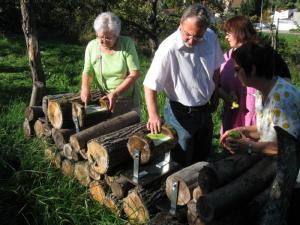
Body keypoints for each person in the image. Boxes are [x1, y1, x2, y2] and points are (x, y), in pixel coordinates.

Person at [220, 42, 300, 224]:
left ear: (253, 69)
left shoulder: (282, 99)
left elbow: (285, 148)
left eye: (237, 69)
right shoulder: (261, 92)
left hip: (293, 178)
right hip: (274, 169)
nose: (235, 73)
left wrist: (247, 146)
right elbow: (265, 129)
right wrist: (241, 130)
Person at [143, 4, 224, 166]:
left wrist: (214, 94)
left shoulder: (210, 37)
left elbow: (216, 68)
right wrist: (153, 115)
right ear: (180, 23)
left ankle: (200, 189)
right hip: (180, 113)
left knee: (203, 154)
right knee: (181, 158)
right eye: (187, 34)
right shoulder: (168, 48)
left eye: (197, 36)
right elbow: (149, 84)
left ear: (205, 30)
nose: (192, 40)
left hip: (205, 109)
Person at [219, 15, 291, 136]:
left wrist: (268, 101)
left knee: (257, 147)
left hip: (260, 115)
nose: (226, 37)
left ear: (239, 32)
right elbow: (217, 83)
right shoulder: (227, 57)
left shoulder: (263, 53)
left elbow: (285, 79)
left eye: (229, 33)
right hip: (234, 114)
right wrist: (227, 95)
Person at [80, 12, 140, 114]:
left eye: (108, 38)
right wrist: (85, 88)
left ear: (116, 36)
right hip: (104, 98)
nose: (103, 41)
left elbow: (135, 74)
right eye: (100, 37)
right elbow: (88, 71)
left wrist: (115, 93)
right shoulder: (92, 46)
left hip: (126, 98)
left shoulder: (126, 44)